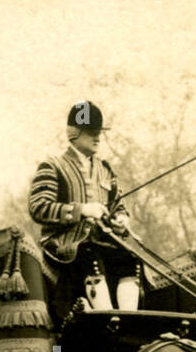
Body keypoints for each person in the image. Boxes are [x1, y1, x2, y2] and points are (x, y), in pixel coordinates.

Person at [28, 100, 134, 319]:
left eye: (99, 132)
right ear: (74, 133)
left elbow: (118, 206)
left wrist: (121, 220)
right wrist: (82, 210)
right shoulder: (53, 166)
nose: (98, 137)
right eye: (91, 132)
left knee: (128, 257)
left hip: (100, 241)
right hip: (63, 244)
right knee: (89, 254)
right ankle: (105, 319)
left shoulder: (105, 170)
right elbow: (38, 208)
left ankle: (129, 320)